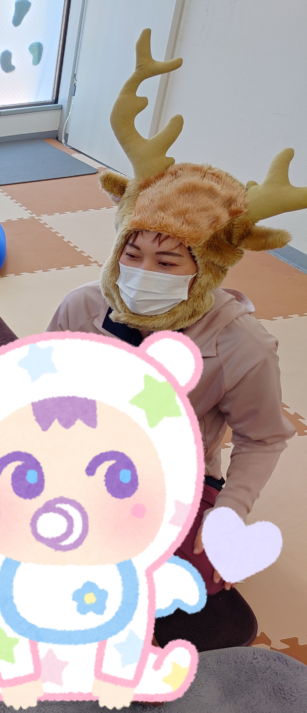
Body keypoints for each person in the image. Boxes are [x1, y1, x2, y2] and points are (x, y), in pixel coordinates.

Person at [45, 31, 305, 651]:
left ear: (206, 269)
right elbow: (40, 390)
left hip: (172, 479)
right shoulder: (83, 306)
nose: (142, 272)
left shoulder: (241, 345)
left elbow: (265, 436)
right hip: (77, 454)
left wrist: (229, 516)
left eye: (167, 262)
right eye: (131, 253)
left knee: (172, 584)